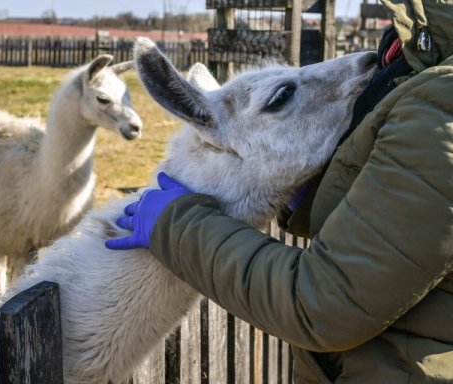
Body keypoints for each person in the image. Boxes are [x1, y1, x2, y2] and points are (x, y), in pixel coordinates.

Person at [105, 0, 453, 381]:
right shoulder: (423, 56)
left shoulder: (440, 105)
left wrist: (175, 226)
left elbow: (325, 305)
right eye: (281, 98)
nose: (364, 61)